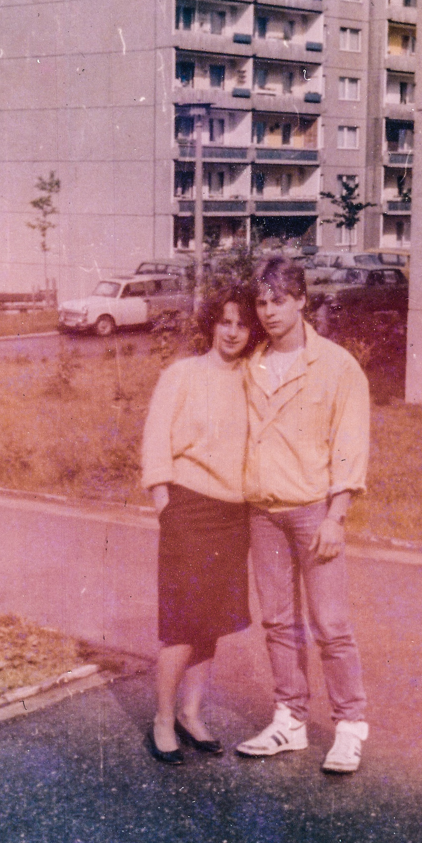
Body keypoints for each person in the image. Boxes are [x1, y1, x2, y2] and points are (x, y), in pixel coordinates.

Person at [236, 255, 371, 774]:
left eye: (279, 301)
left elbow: (350, 446)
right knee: (277, 621)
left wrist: (337, 516)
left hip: (314, 511)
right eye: (261, 302)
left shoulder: (337, 366)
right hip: (262, 513)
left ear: (301, 301)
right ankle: (289, 720)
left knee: (330, 625)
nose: (268, 311)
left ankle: (350, 727)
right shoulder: (251, 364)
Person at [141, 283, 260, 764]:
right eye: (224, 322)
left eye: (242, 324)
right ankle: (162, 719)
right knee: (182, 623)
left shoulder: (253, 379)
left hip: (233, 514)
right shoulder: (182, 374)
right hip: (188, 509)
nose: (232, 332)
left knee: (211, 620)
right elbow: (155, 440)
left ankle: (191, 714)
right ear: (212, 323)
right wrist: (163, 501)